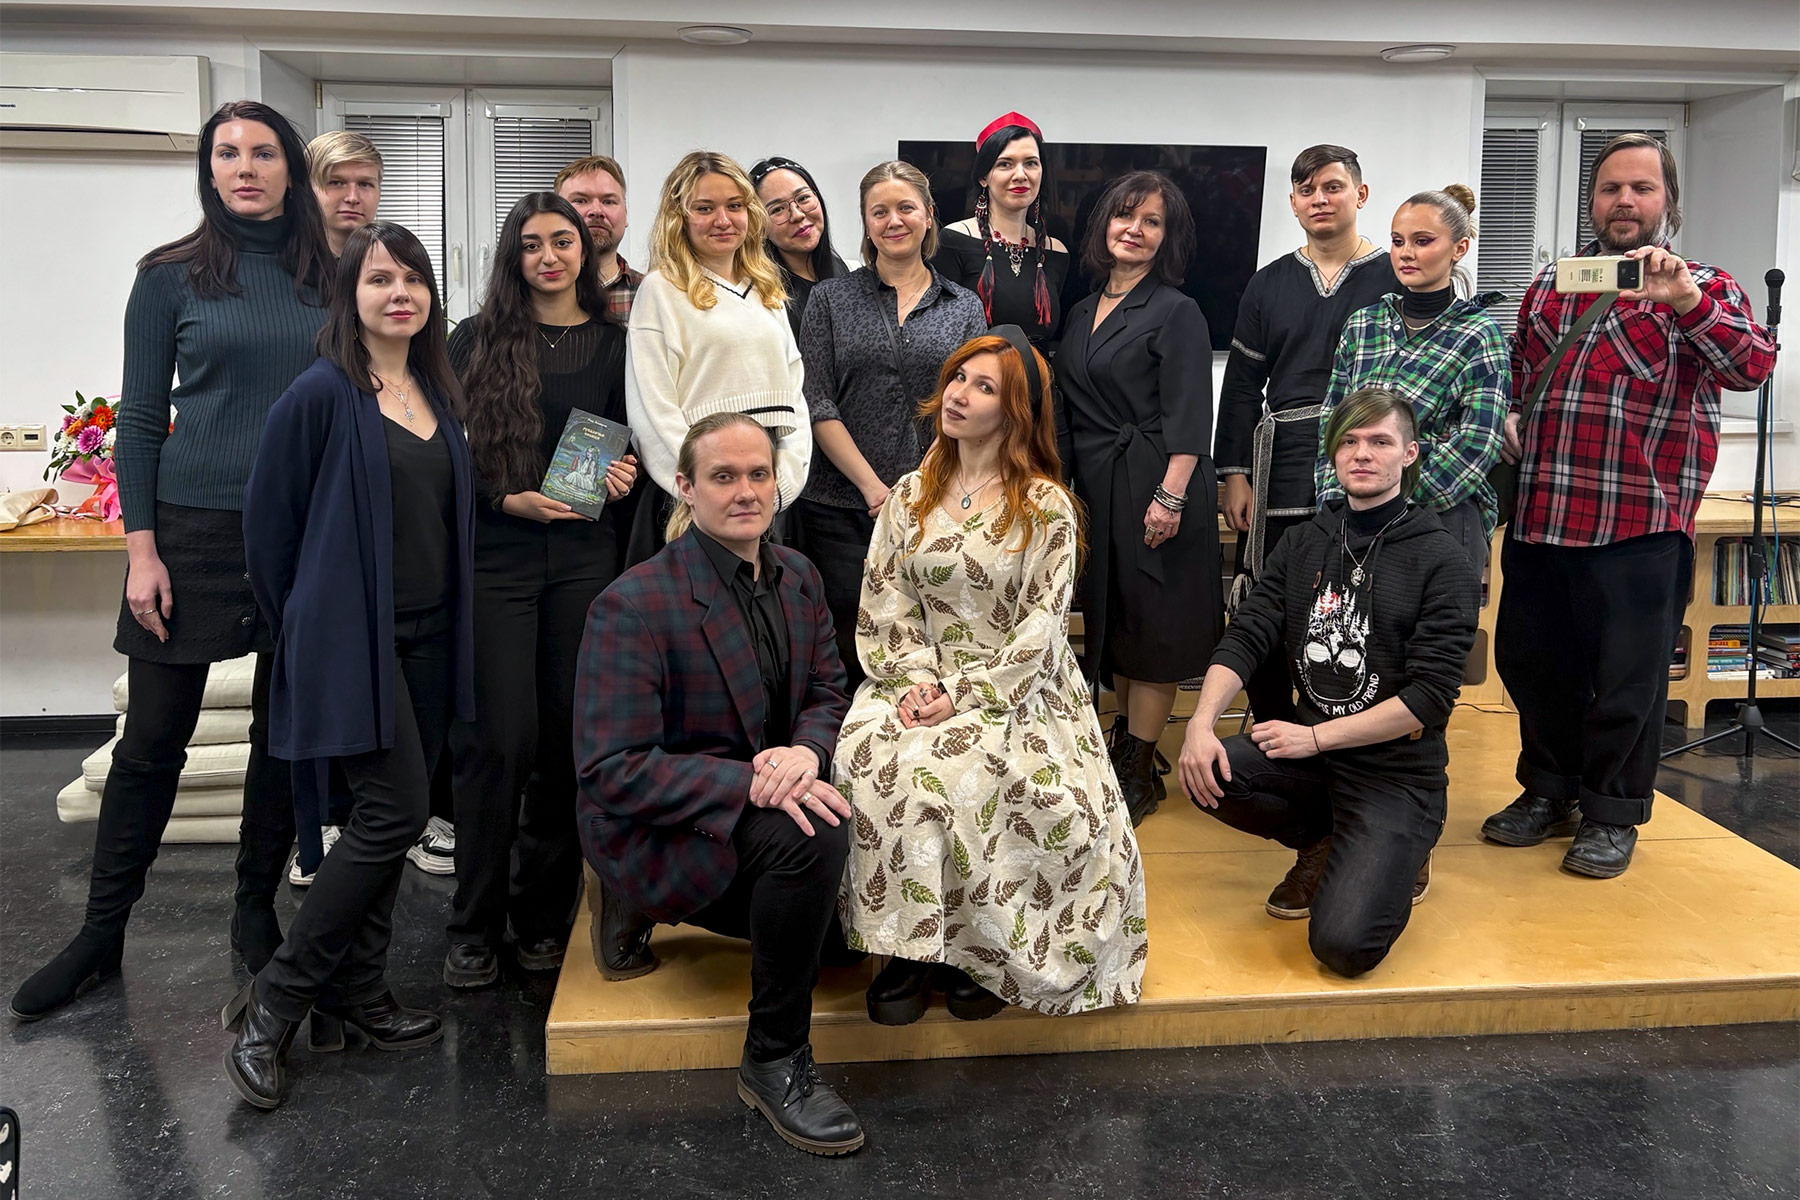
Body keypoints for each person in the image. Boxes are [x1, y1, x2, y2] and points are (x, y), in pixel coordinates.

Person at [9, 101, 333, 1024]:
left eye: (262, 152)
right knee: (153, 738)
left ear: (290, 167)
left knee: (281, 735)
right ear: (208, 169)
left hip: (304, 530)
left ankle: (253, 910)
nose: (245, 167)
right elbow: (143, 418)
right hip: (191, 530)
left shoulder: (332, 275)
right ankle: (99, 934)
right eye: (226, 153)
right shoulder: (169, 277)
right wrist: (140, 550)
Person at [227, 221, 476, 1109]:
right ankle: (275, 1003)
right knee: (392, 812)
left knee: (388, 818)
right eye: (379, 279)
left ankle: (361, 992)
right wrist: (311, 622)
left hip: (433, 636)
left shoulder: (435, 390)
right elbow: (268, 532)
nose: (399, 293)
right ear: (349, 294)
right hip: (353, 642)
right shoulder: (320, 394)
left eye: (413, 279)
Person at [1484, 133, 1777, 878]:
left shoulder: (1704, 284)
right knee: (1534, 667)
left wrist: (1687, 303)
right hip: (1544, 516)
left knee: (1627, 684)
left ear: (1667, 201)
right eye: (1611, 187)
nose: (1624, 201)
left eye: (1641, 188)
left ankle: (1611, 814)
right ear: (1592, 199)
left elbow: (1751, 366)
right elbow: (1519, 368)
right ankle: (1549, 791)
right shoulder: (1554, 282)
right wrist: (1510, 412)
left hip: (1639, 525)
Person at [835, 329, 1148, 1025]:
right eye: (958, 378)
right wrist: (917, 681)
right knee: (875, 761)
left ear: (1016, 412)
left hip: (1017, 683)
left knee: (979, 772)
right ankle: (910, 949)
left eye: (984, 387)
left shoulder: (1045, 506)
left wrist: (962, 694)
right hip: (913, 676)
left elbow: (1041, 626)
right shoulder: (909, 495)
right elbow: (886, 600)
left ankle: (977, 950)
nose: (959, 395)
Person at [574, 412, 863, 1157]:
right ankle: (774, 1059)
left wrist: (806, 753)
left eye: (758, 474)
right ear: (685, 486)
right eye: (723, 477)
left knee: (844, 942)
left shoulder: (798, 575)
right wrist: (755, 781)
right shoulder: (633, 604)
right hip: (668, 822)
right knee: (814, 836)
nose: (746, 492)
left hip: (765, 789)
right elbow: (611, 769)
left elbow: (828, 691)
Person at [1178, 388, 1477, 975]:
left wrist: (1313, 737)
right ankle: (1321, 841)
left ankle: (1408, 848)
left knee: (1343, 946)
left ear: (1409, 454)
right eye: (1350, 441)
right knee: (1208, 770)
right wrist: (1199, 724)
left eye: (1380, 441)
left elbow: (1428, 698)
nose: (1362, 453)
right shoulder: (1305, 541)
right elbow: (1248, 632)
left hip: (1395, 774)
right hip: (1314, 761)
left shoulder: (1442, 560)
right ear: (1333, 452)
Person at [440, 193, 637, 989]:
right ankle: (472, 926)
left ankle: (542, 920)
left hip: (584, 556)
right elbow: (445, 451)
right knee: (497, 743)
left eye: (563, 241)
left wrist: (622, 474)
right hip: (497, 555)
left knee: (562, 743)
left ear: (586, 251)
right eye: (531, 244)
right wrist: (505, 498)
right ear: (512, 256)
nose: (549, 256)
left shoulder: (619, 345)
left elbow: (630, 441)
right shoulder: (474, 338)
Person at [1216, 145, 1399, 725]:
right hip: (1281, 465)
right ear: (1293, 203)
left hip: (1367, 460)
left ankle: (1340, 731)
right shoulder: (1267, 284)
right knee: (1271, 599)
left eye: (1332, 186)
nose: (1319, 199)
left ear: (1360, 195)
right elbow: (1241, 386)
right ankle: (1274, 727)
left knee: (1353, 601)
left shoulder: (1396, 276)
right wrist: (1236, 475)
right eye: (1306, 189)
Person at [1058, 170, 1221, 825]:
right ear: (1104, 223)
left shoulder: (1177, 310)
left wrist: (1171, 496)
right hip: (1102, 485)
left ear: (1166, 237)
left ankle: (1138, 766)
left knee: (1154, 627)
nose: (1135, 229)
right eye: (1125, 216)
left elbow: (1191, 413)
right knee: (1118, 622)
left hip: (1159, 480)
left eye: (1152, 221)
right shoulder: (1080, 310)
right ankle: (1131, 748)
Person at [793, 160, 987, 690]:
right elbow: (816, 400)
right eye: (879, 211)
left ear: (928, 215)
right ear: (865, 221)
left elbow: (973, 404)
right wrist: (873, 489)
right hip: (839, 506)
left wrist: (919, 487)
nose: (893, 221)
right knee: (847, 640)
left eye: (905, 208)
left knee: (930, 637)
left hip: (937, 503)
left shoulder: (964, 306)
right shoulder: (830, 300)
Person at [623, 150, 809, 563]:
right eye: (705, 208)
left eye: (734, 206)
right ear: (680, 217)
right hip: (693, 505)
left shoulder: (767, 289)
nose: (723, 220)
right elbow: (652, 412)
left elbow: (795, 399)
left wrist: (782, 485)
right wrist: (703, 490)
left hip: (765, 497)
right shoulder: (660, 290)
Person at [1313, 185, 1509, 568]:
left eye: (1422, 241)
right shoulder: (1363, 325)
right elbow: (1332, 422)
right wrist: (1335, 500)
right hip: (1356, 515)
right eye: (1397, 241)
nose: (1406, 253)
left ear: (1459, 248)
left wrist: (1391, 501)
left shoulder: (1478, 333)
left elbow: (1477, 442)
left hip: (1442, 517)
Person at [933, 113, 1069, 348]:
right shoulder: (954, 240)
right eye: (1005, 164)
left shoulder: (1056, 251)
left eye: (1031, 163)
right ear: (983, 177)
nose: (1020, 175)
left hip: (1039, 371)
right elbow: (941, 331)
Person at [751, 156, 851, 340]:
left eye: (803, 198)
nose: (797, 215)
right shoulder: (760, 296)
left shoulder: (847, 271)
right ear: (759, 225)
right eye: (777, 209)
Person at [555, 154, 644, 323]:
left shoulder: (651, 294)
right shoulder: (531, 296)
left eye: (608, 202)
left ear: (625, 214)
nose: (596, 211)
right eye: (581, 200)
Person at [306, 129, 382, 258]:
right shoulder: (282, 262)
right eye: (336, 183)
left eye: (364, 184)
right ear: (307, 190)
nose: (353, 198)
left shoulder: (398, 263)